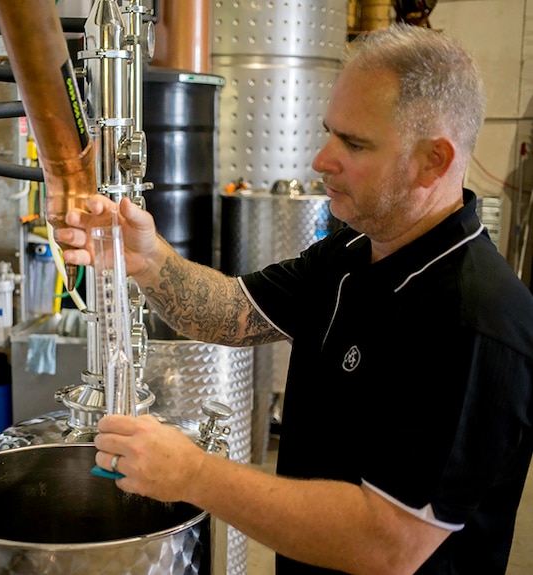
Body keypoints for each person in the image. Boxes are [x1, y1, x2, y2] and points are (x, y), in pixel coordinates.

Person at [54, 23, 533, 575]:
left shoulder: (476, 324)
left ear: (433, 161)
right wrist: (147, 260)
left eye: (353, 144)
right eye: (330, 132)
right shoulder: (352, 253)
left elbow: (387, 543)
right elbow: (235, 313)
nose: (320, 159)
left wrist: (193, 474)